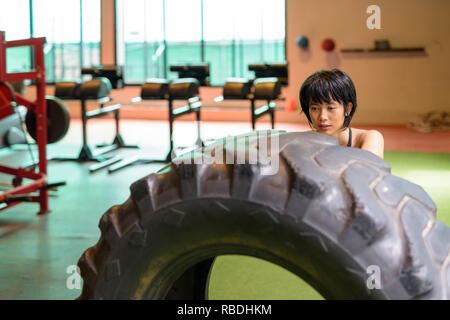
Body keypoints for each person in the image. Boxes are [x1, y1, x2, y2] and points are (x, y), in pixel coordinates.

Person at [299, 69, 384, 159]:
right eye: (315, 108)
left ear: (348, 108)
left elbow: (369, 168)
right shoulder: (301, 141)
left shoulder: (369, 138)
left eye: (330, 108)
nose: (322, 117)